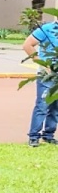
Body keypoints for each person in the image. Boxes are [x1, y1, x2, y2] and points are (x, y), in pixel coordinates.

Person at [23, 17, 58, 146]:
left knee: (55, 108)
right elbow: (27, 45)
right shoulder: (47, 29)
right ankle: (34, 136)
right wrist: (42, 64)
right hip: (46, 76)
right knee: (42, 106)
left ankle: (48, 135)